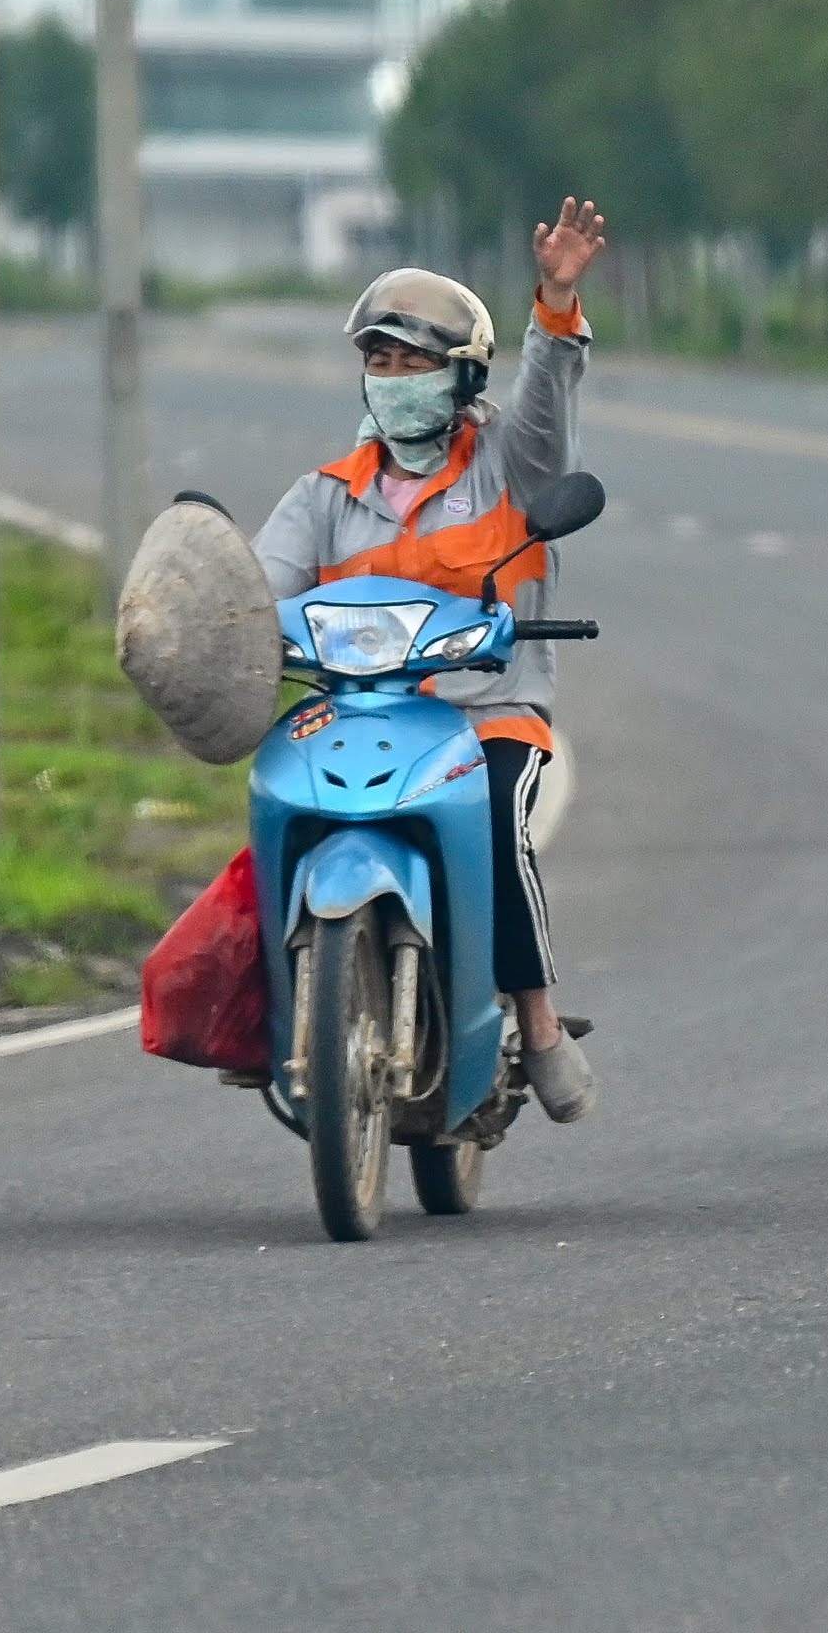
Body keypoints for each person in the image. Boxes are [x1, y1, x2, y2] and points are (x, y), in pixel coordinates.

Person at [250, 201, 609, 1124]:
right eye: (380, 361)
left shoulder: (507, 467)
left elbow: (548, 406)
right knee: (278, 804)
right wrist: (211, 621)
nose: (396, 379)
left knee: (496, 820)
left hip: (488, 711)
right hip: (358, 715)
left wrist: (557, 303)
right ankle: (273, 1015)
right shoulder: (323, 496)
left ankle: (534, 1022)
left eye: (415, 363)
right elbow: (251, 592)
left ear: (461, 377)